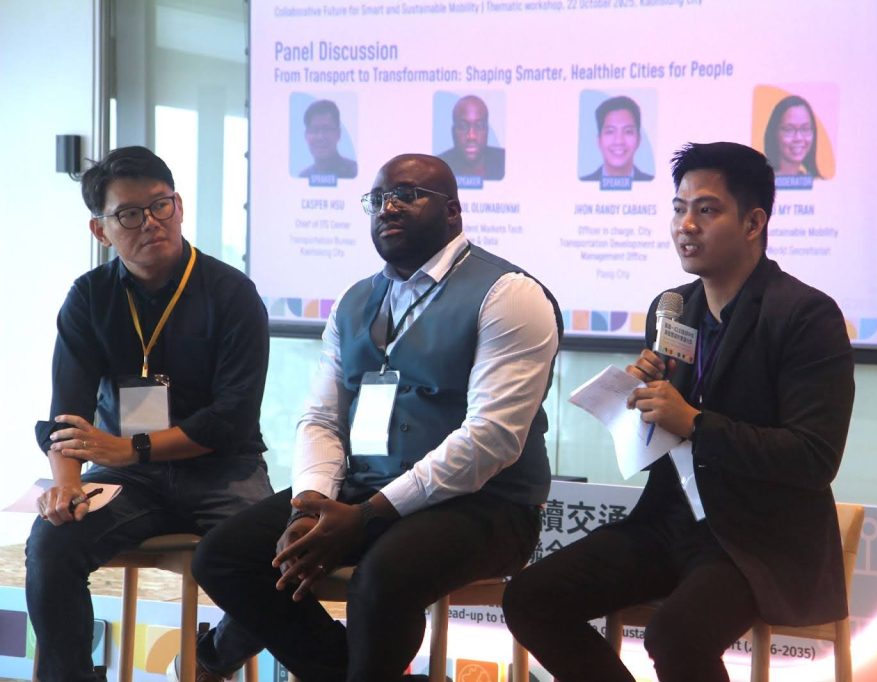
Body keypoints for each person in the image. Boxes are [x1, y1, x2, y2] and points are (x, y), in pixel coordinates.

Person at [191, 153, 561, 681]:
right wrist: (311, 502)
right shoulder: (354, 299)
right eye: (377, 199)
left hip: (487, 505)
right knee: (224, 556)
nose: (388, 207)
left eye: (408, 195)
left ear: (453, 212)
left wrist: (368, 516)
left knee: (383, 575)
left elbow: (490, 441)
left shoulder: (510, 295)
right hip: (363, 490)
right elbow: (321, 416)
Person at [503, 142, 855, 682]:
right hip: (671, 523)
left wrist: (692, 420)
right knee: (531, 597)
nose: (685, 225)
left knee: (676, 633)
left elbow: (813, 457)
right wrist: (639, 405)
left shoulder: (805, 316)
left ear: (754, 221)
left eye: (707, 210)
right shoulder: (673, 309)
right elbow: (666, 442)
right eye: (678, 208)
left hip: (758, 541)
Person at [25, 146, 274, 682]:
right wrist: (66, 486)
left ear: (179, 206)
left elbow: (230, 418)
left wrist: (129, 447)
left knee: (278, 562)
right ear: (101, 230)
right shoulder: (89, 298)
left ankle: (211, 658)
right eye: (130, 214)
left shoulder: (232, 293)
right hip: (128, 477)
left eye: (161, 206)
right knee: (51, 544)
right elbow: (67, 412)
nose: (151, 223)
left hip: (222, 468)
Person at [580, 95, 654, 184]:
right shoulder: (582, 183)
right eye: (610, 131)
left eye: (628, 131)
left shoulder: (652, 183)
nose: (619, 141)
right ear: (599, 140)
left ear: (638, 140)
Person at [438, 95, 506, 181]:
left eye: (479, 126)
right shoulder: (439, 166)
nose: (471, 136)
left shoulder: (504, 160)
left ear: (487, 131)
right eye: (463, 126)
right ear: (453, 132)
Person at [299, 99, 358, 180]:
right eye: (314, 130)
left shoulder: (354, 172)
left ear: (338, 134)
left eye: (326, 129)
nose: (320, 137)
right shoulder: (303, 177)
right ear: (306, 135)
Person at [763, 95, 821, 177]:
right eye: (789, 129)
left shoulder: (816, 182)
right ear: (774, 133)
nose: (798, 138)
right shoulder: (761, 181)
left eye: (805, 129)